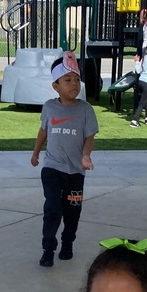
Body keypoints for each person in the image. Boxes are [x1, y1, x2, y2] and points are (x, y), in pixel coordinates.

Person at [31, 51, 99, 267]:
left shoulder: (86, 110)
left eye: (77, 80)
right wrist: (35, 153)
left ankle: (67, 243)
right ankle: (48, 248)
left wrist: (86, 155)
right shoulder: (50, 107)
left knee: (72, 213)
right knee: (52, 208)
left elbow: (89, 136)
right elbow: (43, 132)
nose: (74, 85)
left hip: (76, 173)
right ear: (55, 86)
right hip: (52, 168)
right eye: (67, 80)